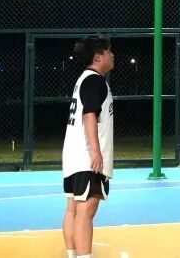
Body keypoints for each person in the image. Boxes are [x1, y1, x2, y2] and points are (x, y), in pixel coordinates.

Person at [62, 35, 115, 258]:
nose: (112, 55)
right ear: (97, 57)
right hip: (86, 158)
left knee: (74, 209)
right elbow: (89, 115)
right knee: (86, 211)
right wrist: (96, 151)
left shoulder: (84, 79)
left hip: (73, 156)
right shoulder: (94, 80)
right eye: (109, 51)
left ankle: (72, 254)